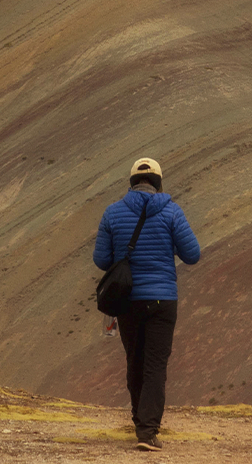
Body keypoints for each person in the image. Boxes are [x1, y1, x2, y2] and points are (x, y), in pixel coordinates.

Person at [93, 157, 202, 451]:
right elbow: (192, 254)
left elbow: (101, 260)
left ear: (132, 183)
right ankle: (147, 429)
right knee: (156, 364)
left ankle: (139, 420)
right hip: (163, 299)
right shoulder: (172, 212)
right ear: (158, 182)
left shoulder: (112, 213)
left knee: (135, 360)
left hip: (127, 301)